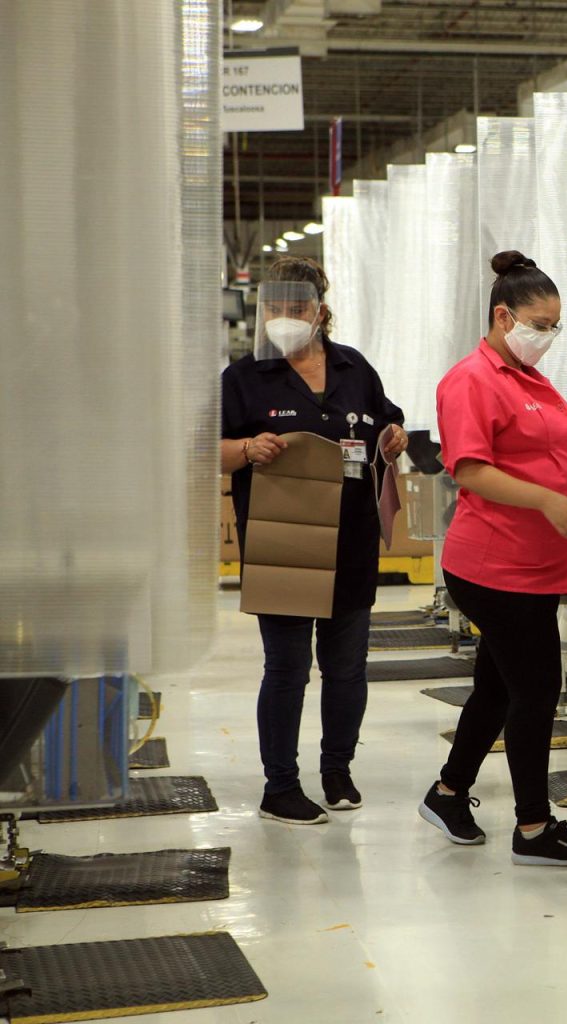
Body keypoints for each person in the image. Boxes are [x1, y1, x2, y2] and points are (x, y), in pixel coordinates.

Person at [418, 250, 567, 866]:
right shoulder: (470, 380)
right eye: (540, 324)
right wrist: (550, 502)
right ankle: (532, 828)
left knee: (498, 688)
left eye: (556, 325)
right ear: (504, 317)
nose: (548, 336)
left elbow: (546, 453)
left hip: (534, 562)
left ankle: (449, 792)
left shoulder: (528, 378)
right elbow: (471, 470)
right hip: (495, 566)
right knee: (537, 688)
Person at [220, 256, 407, 825]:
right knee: (287, 668)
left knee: (348, 667)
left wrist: (395, 436)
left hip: (350, 539)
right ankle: (280, 786)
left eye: (295, 308)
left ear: (320, 311)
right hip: (283, 544)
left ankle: (337, 770)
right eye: (273, 308)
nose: (283, 317)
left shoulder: (355, 369)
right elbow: (207, 451)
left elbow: (387, 423)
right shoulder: (244, 378)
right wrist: (249, 450)